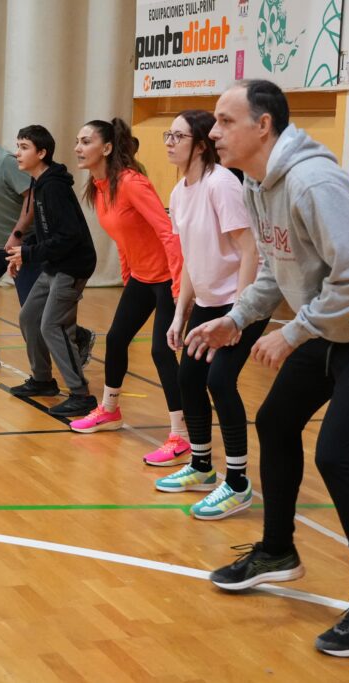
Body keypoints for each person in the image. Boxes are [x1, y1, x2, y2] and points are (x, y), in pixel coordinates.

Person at [185, 80, 349, 656]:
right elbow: (274, 267)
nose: (212, 132)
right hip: (331, 322)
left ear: (262, 126)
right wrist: (238, 320)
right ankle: (277, 551)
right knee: (276, 421)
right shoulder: (259, 182)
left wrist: (292, 333)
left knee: (337, 456)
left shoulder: (316, 182)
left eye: (224, 121)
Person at [154, 110, 267, 522]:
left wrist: (237, 316)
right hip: (205, 303)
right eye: (168, 134)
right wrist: (179, 316)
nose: (169, 141)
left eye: (177, 135)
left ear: (201, 144)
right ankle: (202, 467)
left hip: (240, 303)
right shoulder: (180, 192)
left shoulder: (222, 184)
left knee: (220, 382)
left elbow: (250, 249)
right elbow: (190, 261)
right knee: (188, 380)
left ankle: (237, 483)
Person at [67, 118, 191, 465]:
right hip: (141, 278)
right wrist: (127, 275)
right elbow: (122, 236)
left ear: (106, 148)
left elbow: (168, 233)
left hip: (168, 278)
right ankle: (109, 411)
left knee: (161, 352)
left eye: (86, 141)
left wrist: (180, 291)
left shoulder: (132, 183)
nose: (78, 147)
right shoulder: (99, 185)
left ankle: (180, 436)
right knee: (117, 339)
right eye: (78, 141)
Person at [0, 110, 94, 370]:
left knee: (33, 311)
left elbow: (31, 196)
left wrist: (16, 235)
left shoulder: (5, 161)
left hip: (24, 247)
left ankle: (77, 337)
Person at [5, 125, 99, 417]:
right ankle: (43, 380)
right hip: (55, 262)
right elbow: (48, 232)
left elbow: (69, 236)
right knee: (29, 317)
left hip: (73, 265)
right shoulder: (40, 183)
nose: (17, 153)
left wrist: (29, 252)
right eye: (18, 146)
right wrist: (24, 251)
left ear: (41, 153)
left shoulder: (54, 186)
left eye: (24, 147)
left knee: (52, 325)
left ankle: (81, 395)